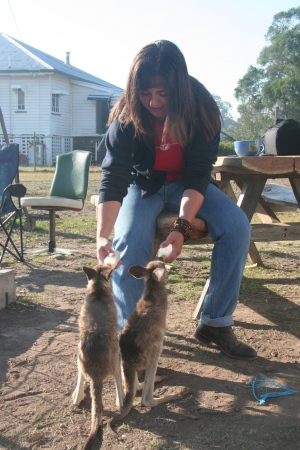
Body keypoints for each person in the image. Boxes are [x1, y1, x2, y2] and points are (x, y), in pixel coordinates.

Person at [96, 40, 257, 360]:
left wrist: (180, 227)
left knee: (238, 227)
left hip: (189, 184)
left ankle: (216, 322)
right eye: (145, 93)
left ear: (178, 88)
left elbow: (198, 174)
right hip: (143, 186)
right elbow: (114, 177)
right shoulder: (126, 116)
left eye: (163, 93)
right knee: (129, 239)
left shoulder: (201, 108)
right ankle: (131, 336)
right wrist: (102, 235)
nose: (153, 101)